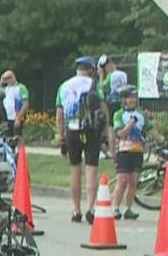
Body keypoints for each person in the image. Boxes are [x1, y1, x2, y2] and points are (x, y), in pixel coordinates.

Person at [56, 56, 113, 224]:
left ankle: (76, 209)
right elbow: (104, 111)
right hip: (91, 130)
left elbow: (59, 116)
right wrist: (105, 133)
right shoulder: (94, 85)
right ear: (91, 70)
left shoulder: (64, 86)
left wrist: (61, 137)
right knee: (91, 170)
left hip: (72, 130)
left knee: (75, 170)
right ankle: (90, 207)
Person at [111, 85, 144, 220]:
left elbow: (150, 129)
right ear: (123, 100)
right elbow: (120, 133)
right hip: (123, 150)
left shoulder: (141, 115)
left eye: (134, 98)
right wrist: (131, 123)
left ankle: (128, 209)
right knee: (122, 180)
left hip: (137, 150)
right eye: (129, 98)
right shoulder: (119, 115)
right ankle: (115, 208)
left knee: (134, 181)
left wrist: (163, 139)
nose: (132, 100)